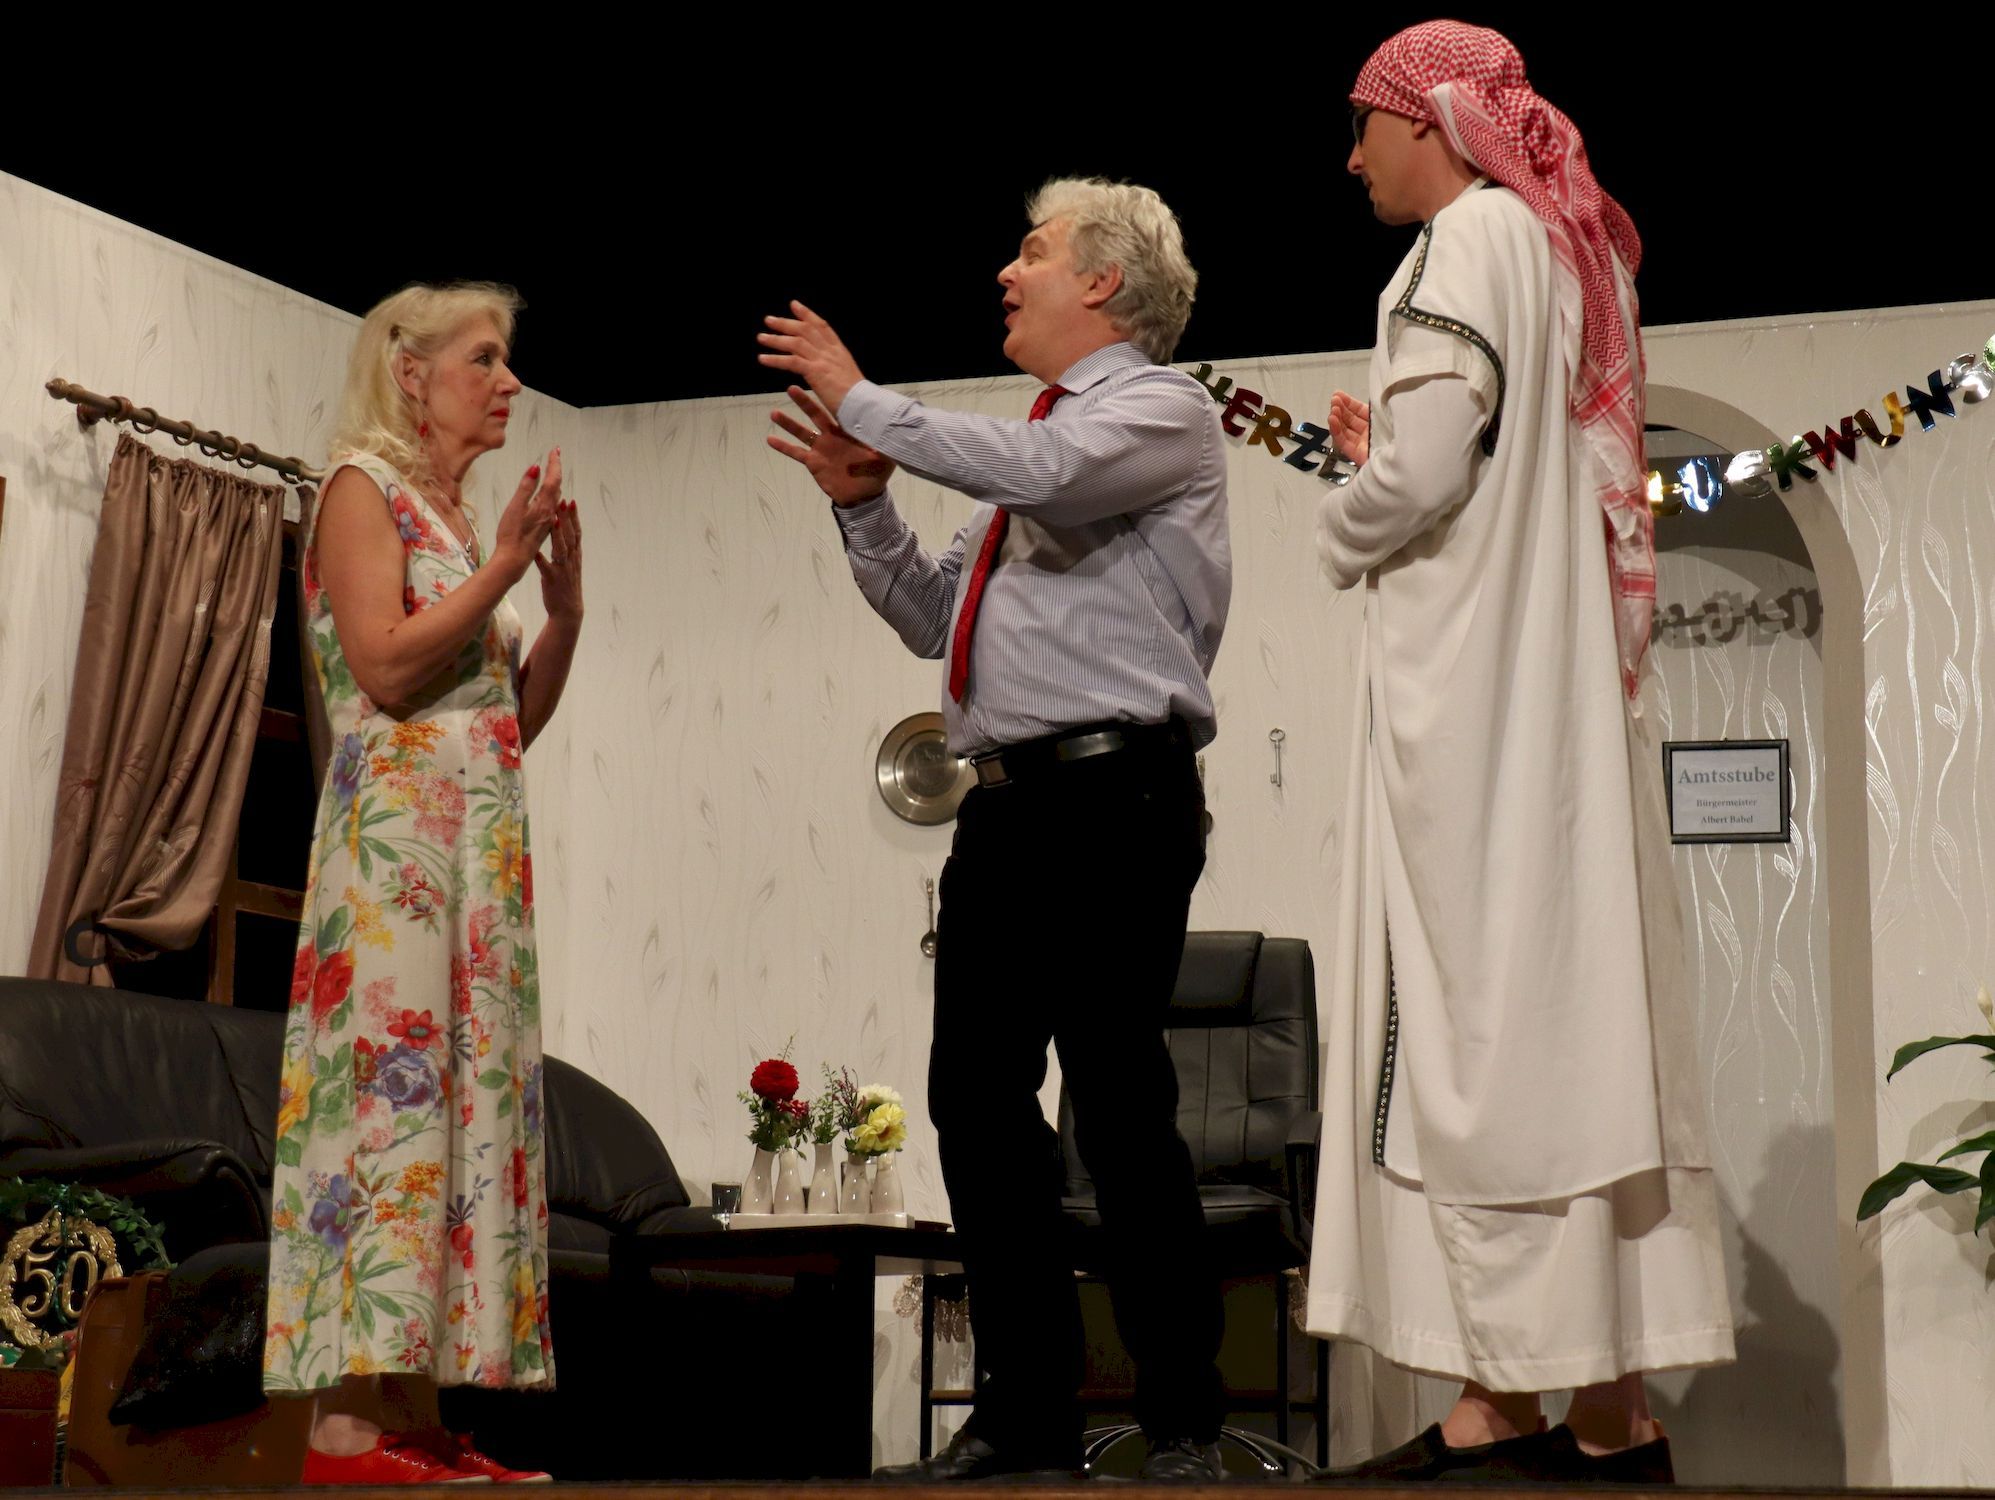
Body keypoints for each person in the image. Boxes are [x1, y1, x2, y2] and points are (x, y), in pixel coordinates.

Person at [1304, 22, 1735, 1484]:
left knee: (1479, 1024)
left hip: (1476, 690)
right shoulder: (1552, 245)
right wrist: (1390, 459)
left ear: (1431, 119)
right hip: (1541, 684)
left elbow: (1427, 470)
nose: (1352, 157)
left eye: (1365, 124)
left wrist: (1343, 514)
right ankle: (1601, 1413)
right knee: (1563, 1016)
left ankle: (1513, 1406)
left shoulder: (1466, 238)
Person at [760, 178, 1231, 1483]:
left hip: (1116, 798)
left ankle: (1182, 1419)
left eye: (1033, 252)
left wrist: (862, 397)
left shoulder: (1157, 410)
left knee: (1117, 1106)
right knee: (974, 1102)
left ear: (1103, 282)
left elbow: (1041, 473)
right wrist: (862, 500)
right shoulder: (1027, 450)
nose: (1006, 274)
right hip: (1005, 809)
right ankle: (1027, 1415)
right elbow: (932, 616)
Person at [264, 282, 583, 1484]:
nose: (509, 382)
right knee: (387, 1113)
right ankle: (344, 1432)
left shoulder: (453, 521)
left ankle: (412, 1413)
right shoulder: (364, 487)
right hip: (394, 858)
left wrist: (562, 609)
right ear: (412, 372)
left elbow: (503, 722)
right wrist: (503, 566)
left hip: (472, 856)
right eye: (484, 360)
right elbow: (387, 670)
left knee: (455, 1114)